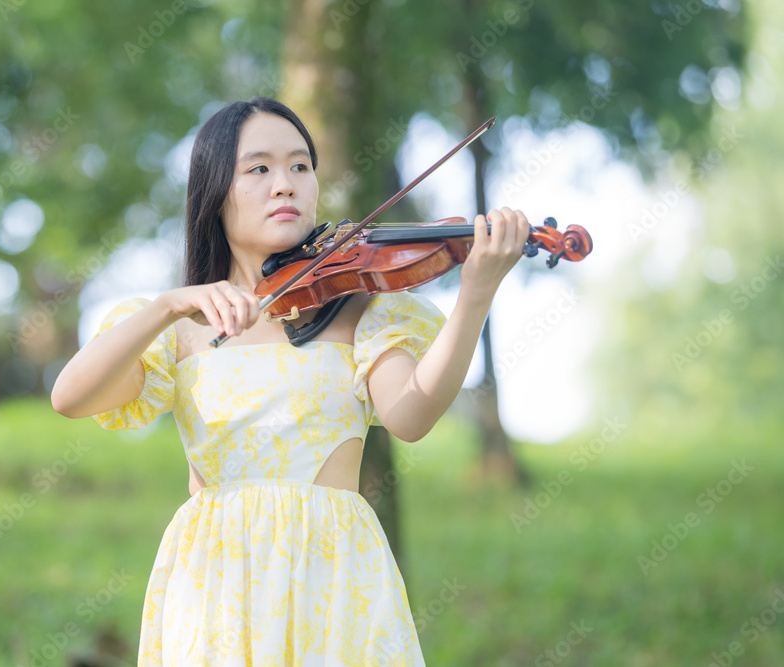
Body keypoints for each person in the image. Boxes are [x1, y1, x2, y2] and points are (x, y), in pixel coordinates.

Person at [51, 96, 530, 665]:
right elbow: (70, 398)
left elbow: (412, 414)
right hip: (217, 578)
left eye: (301, 166)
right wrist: (166, 307)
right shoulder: (179, 332)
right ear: (214, 192)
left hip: (334, 571)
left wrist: (476, 293)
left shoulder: (360, 309)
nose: (286, 185)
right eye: (259, 169)